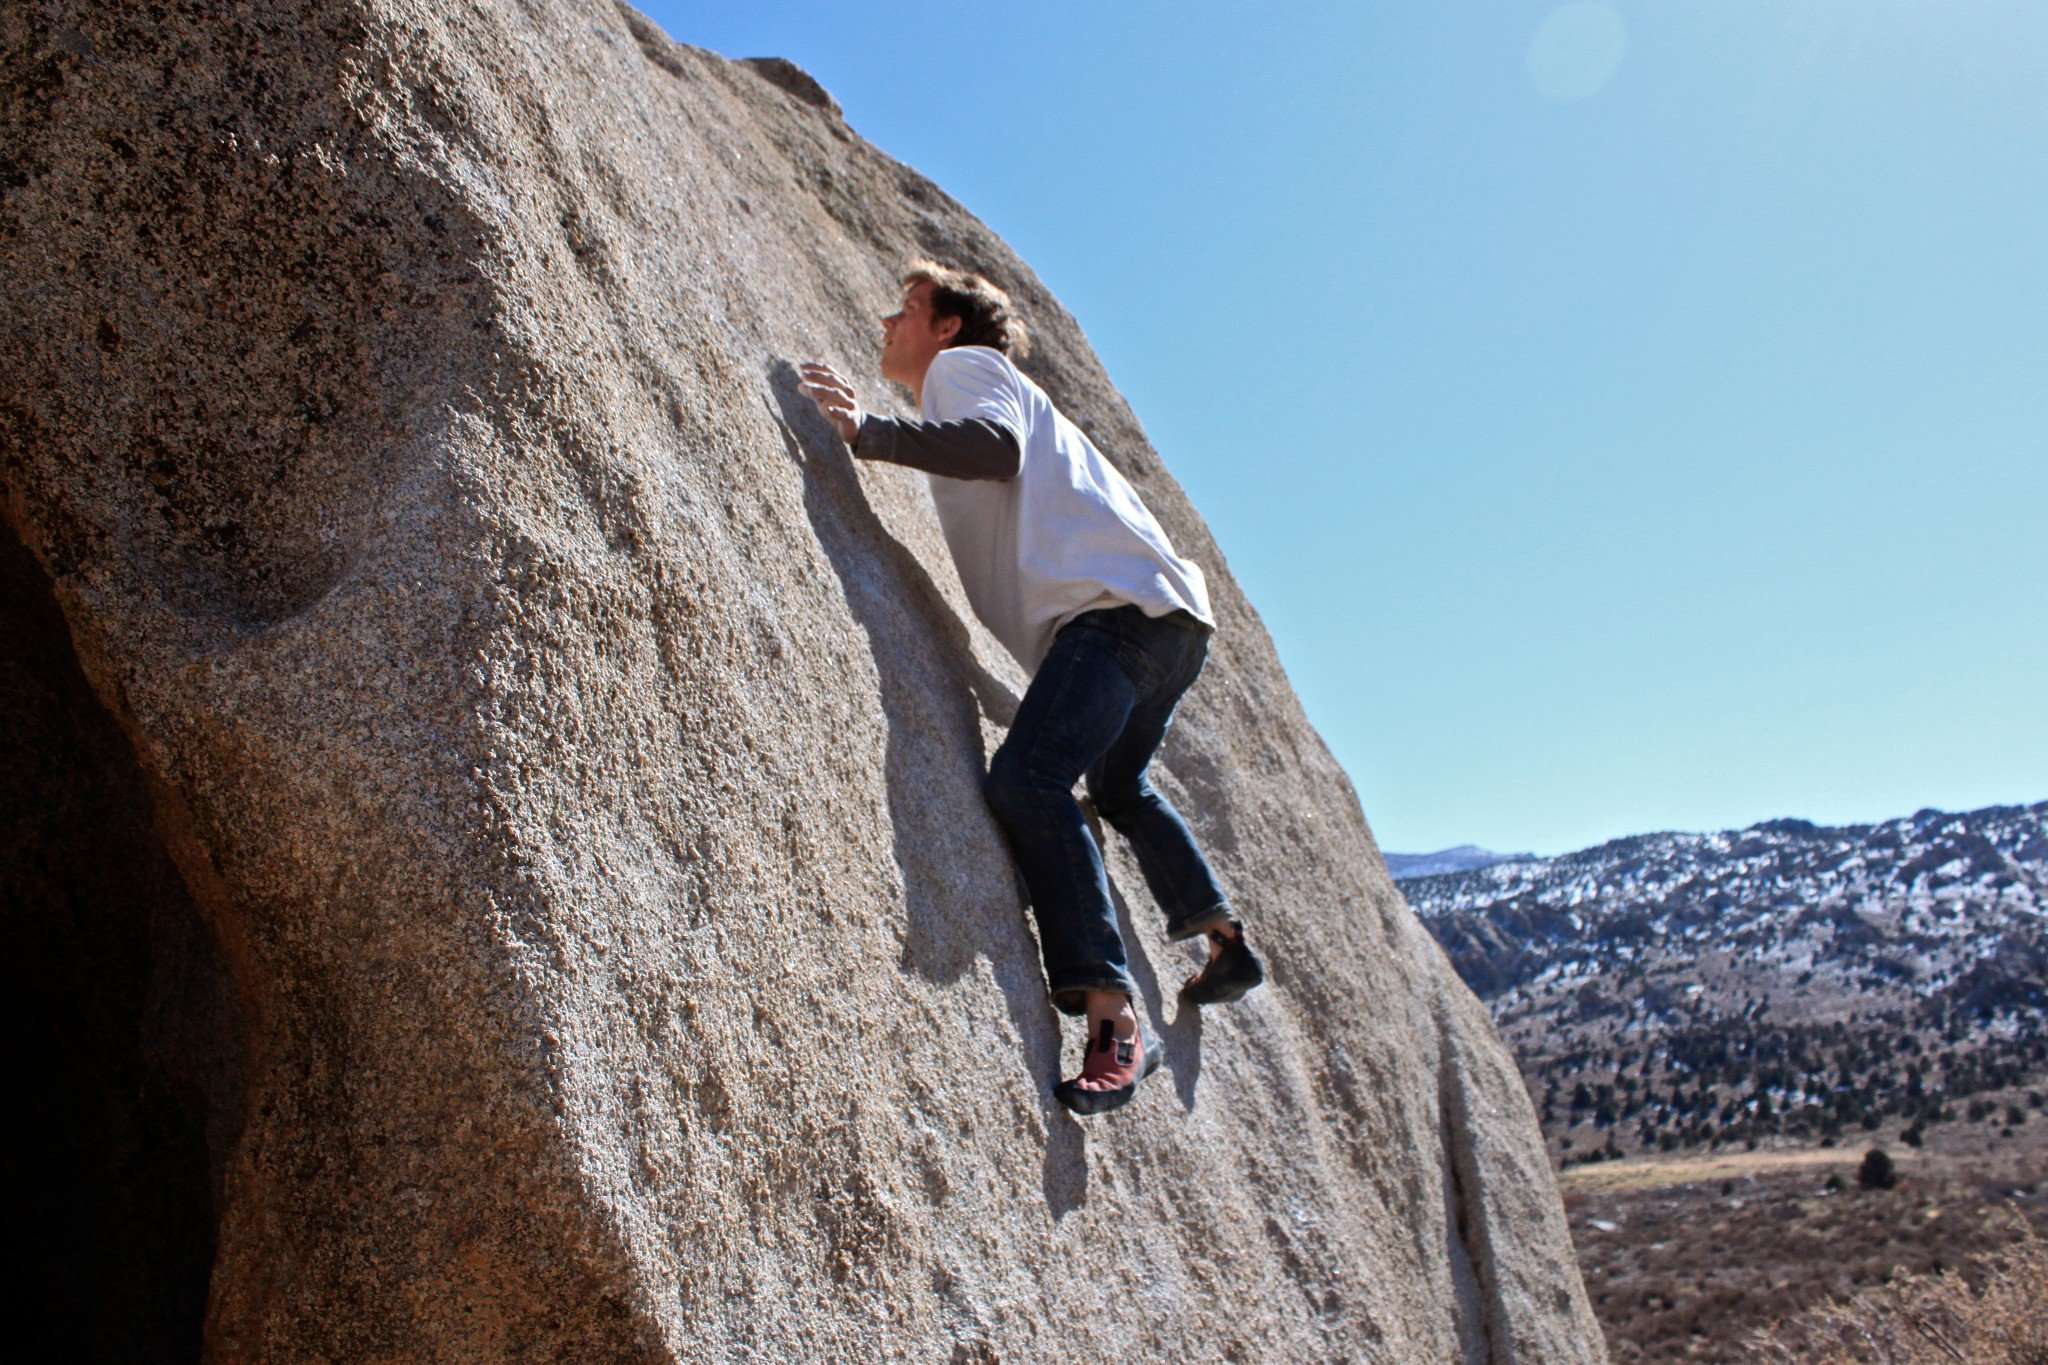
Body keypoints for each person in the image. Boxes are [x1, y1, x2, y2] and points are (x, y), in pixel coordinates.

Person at [799, 261, 1264, 1117]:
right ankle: (1224, 938)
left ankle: (1112, 1015)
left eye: (906, 309)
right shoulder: (998, 388)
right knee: (1119, 785)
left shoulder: (964, 369)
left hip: (1114, 617)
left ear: (947, 326)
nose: (886, 322)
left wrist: (871, 432)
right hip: (1167, 623)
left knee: (1027, 780)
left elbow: (993, 450)